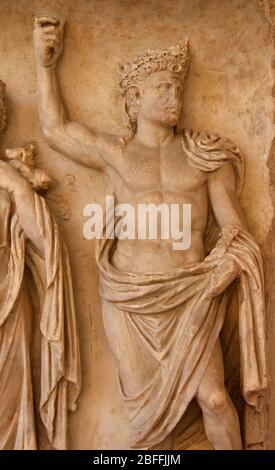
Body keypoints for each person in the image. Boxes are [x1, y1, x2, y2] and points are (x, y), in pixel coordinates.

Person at [33, 17, 267, 450]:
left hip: (192, 294)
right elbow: (56, 130)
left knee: (215, 399)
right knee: (145, 419)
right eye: (164, 87)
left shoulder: (203, 156)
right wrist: (46, 66)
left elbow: (236, 228)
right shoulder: (116, 154)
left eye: (178, 88)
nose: (174, 96)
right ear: (136, 97)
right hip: (129, 296)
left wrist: (229, 265)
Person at [0, 79, 80, 449]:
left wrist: (17, 186)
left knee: (6, 410)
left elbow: (45, 242)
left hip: (8, 303)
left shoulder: (10, 179)